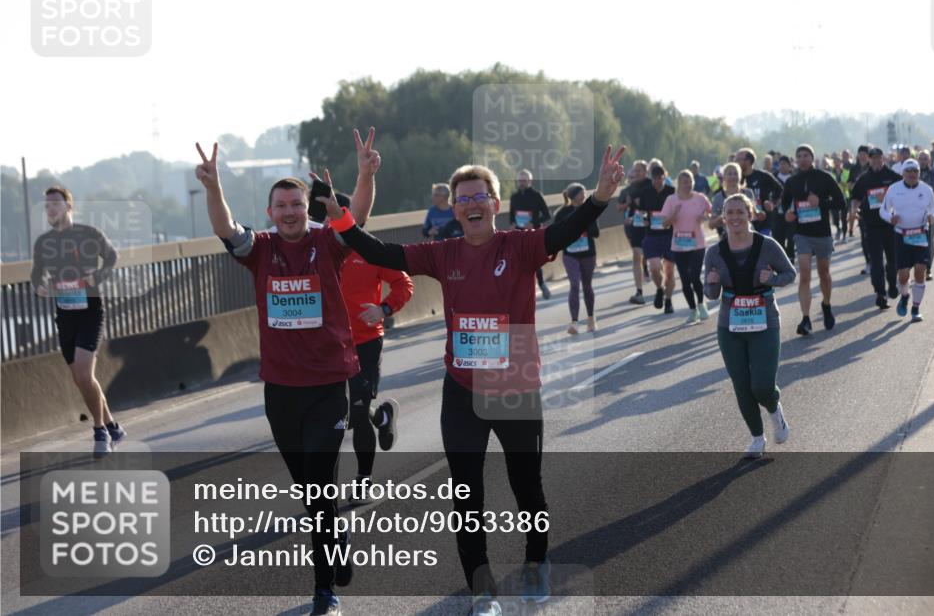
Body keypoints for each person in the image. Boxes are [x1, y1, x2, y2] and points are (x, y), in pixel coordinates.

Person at [320, 145, 627, 616]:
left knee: (526, 486)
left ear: (495, 203)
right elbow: (380, 251)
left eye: (479, 196)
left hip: (514, 384)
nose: (471, 204)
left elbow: (565, 231)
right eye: (462, 199)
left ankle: (536, 561)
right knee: (466, 495)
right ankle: (482, 592)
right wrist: (341, 219)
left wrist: (600, 197)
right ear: (455, 209)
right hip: (462, 388)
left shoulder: (520, 246)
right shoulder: (443, 253)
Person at [194, 128, 379, 616]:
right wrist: (214, 187)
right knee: (310, 493)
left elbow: (358, 217)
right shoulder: (259, 248)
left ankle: (324, 591)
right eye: (282, 206)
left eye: (297, 204)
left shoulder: (327, 241)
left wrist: (364, 175)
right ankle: (336, 534)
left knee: (318, 488)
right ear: (271, 213)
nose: (291, 211)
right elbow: (224, 228)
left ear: (307, 208)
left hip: (328, 386)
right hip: (280, 391)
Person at [30, 186, 125, 457]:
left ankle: (100, 431)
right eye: (47, 205)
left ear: (69, 206)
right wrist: (39, 286)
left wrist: (98, 276)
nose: (51, 209)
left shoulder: (88, 234)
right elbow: (36, 274)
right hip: (65, 315)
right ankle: (113, 426)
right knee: (81, 379)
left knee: (84, 374)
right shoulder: (44, 243)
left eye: (56, 204)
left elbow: (112, 257)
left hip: (90, 312)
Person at [704, 193, 795, 458]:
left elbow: (790, 273)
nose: (735, 217)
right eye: (729, 213)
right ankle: (757, 438)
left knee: (762, 386)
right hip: (730, 326)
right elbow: (710, 294)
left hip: (765, 321)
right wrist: (712, 283)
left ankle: (775, 410)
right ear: (723, 217)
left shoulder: (767, 245)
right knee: (742, 386)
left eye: (740, 212)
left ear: (750, 214)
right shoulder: (714, 252)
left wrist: (772, 279)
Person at [339, 192, 414, 493]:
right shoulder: (317, 253)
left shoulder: (371, 250)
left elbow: (404, 283)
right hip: (329, 346)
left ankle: (363, 480)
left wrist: (383, 308)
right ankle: (382, 417)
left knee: (357, 411)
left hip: (366, 342)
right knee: (342, 411)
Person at [780, 144, 846, 336]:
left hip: (822, 233)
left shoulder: (824, 177)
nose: (802, 159)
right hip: (802, 234)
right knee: (805, 275)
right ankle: (806, 319)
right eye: (799, 156)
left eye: (806, 155)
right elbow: (785, 206)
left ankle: (826, 304)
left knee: (824, 273)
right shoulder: (792, 181)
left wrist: (821, 203)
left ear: (812, 158)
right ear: (796, 159)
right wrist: (787, 214)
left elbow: (841, 203)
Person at [879, 159, 934, 322]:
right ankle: (905, 296)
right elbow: (883, 211)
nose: (912, 174)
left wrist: (932, 217)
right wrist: (890, 218)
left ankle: (916, 308)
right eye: (909, 171)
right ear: (903, 173)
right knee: (903, 276)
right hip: (902, 235)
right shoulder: (894, 189)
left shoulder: (926, 189)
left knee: (920, 270)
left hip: (920, 234)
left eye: (915, 171)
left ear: (919, 173)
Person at [849, 148, 902, 310]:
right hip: (871, 225)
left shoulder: (893, 177)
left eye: (879, 158)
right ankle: (880, 293)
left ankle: (892, 283)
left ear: (883, 159)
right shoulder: (864, 178)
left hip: (890, 225)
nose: (876, 161)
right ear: (869, 160)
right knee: (876, 261)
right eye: (873, 159)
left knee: (892, 260)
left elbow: (904, 192)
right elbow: (855, 197)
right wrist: (853, 211)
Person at [658, 170, 712, 323]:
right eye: (684, 182)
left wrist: (705, 217)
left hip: (697, 244)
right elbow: (664, 223)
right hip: (679, 246)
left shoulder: (700, 198)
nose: (687, 185)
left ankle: (701, 304)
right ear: (678, 184)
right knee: (685, 280)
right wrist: (674, 215)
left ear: (693, 183)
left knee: (695, 276)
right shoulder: (671, 200)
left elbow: (710, 212)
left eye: (689, 182)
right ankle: (693, 310)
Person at [554, 183, 599, 334]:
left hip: (588, 253)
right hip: (570, 254)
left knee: (587, 286)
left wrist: (584, 225)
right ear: (573, 197)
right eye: (581, 195)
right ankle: (574, 322)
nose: (584, 197)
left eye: (584, 195)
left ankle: (591, 319)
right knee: (574, 285)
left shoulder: (590, 210)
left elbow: (596, 233)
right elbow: (556, 234)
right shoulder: (562, 213)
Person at [639, 159, 677, 313]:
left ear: (664, 177)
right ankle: (659, 289)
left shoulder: (671, 192)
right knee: (654, 268)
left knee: (669, 271)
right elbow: (641, 211)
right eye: (654, 179)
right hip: (652, 235)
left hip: (669, 235)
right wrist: (643, 219)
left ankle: (668, 301)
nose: (656, 182)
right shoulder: (646, 192)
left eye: (659, 178)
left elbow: (678, 210)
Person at [509, 169, 552, 299]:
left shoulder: (536, 195)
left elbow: (547, 215)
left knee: (534, 261)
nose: (522, 182)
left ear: (530, 181)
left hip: (533, 233)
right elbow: (511, 215)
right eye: (520, 180)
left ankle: (541, 283)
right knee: (519, 262)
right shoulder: (514, 197)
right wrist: (512, 224)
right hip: (519, 233)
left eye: (524, 180)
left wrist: (533, 223)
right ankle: (522, 290)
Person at [618, 160, 649, 304]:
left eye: (639, 170)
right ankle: (639, 291)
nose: (636, 173)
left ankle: (660, 287)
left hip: (652, 227)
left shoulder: (652, 186)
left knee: (654, 260)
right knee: (637, 256)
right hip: (636, 226)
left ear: (646, 172)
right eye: (634, 171)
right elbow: (620, 207)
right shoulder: (628, 190)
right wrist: (628, 205)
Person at [735, 147, 783, 237]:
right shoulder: (735, 179)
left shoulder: (763, 176)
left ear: (748, 161)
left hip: (763, 224)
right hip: (742, 225)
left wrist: (772, 202)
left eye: (738, 159)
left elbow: (780, 189)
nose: (735, 162)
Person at [709, 162, 756, 241]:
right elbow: (711, 225)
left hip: (748, 235)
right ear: (724, 177)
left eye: (735, 173)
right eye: (730, 174)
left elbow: (753, 216)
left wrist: (759, 213)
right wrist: (723, 217)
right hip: (727, 238)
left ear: (740, 176)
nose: (733, 176)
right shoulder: (718, 197)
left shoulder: (748, 193)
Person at [918, 149, 934, 281]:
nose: (923, 161)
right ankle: (918, 266)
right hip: (916, 212)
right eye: (921, 158)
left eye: (925, 158)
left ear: (930, 160)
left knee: (929, 241)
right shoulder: (912, 174)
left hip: (931, 211)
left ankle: (928, 269)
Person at [848, 145, 872, 273]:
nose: (862, 156)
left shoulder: (872, 167)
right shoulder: (854, 168)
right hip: (860, 206)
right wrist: (856, 186)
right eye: (860, 154)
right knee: (864, 236)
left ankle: (878, 260)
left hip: (875, 206)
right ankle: (868, 262)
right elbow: (849, 185)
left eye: (865, 154)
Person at [771, 156, 797, 260]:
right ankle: (782, 259)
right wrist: (774, 201)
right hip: (777, 213)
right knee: (778, 237)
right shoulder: (773, 178)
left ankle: (791, 257)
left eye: (784, 164)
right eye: (780, 164)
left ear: (789, 166)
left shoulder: (794, 178)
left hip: (791, 212)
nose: (782, 166)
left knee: (791, 237)